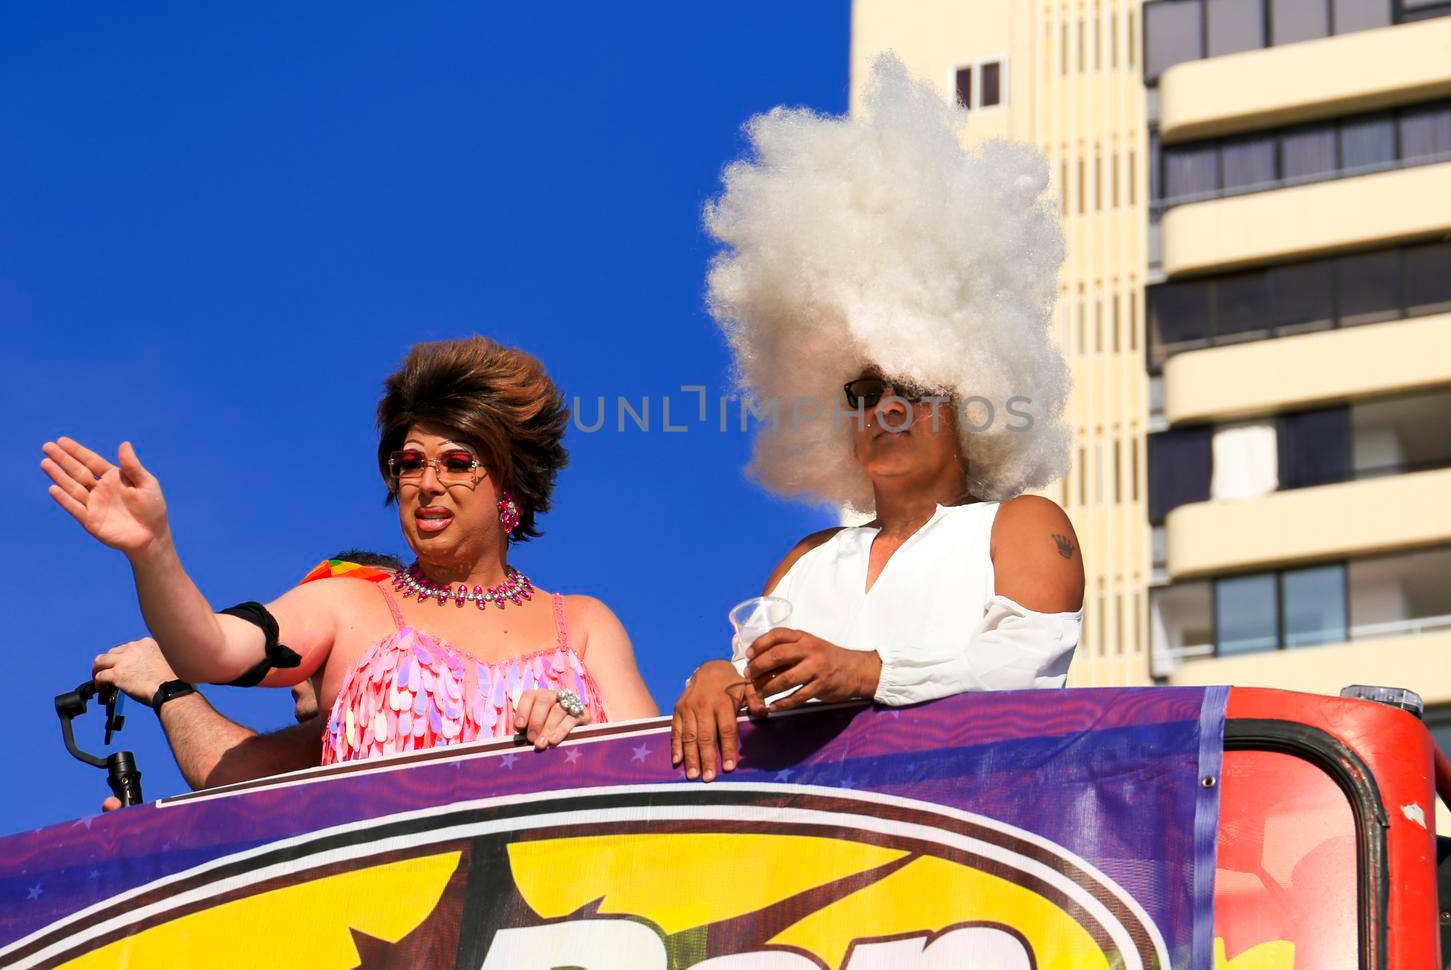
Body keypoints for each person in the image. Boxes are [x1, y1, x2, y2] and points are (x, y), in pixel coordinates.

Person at [674, 54, 1084, 781]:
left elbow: (1020, 668)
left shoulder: (1020, 526)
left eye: (910, 385)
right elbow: (755, 691)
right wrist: (715, 681)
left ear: (969, 392)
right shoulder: (809, 560)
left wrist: (869, 672)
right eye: (862, 393)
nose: (885, 408)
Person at [43, 337, 657, 764]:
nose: (427, 483)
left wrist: (579, 726)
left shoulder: (583, 625)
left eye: (458, 463)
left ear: (511, 486)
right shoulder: (346, 608)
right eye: (410, 464)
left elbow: (654, 775)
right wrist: (153, 550)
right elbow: (208, 648)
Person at [92, 553, 402, 810]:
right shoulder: (343, 743)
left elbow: (241, 774)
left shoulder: (387, 713)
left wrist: (167, 685)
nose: (298, 674)